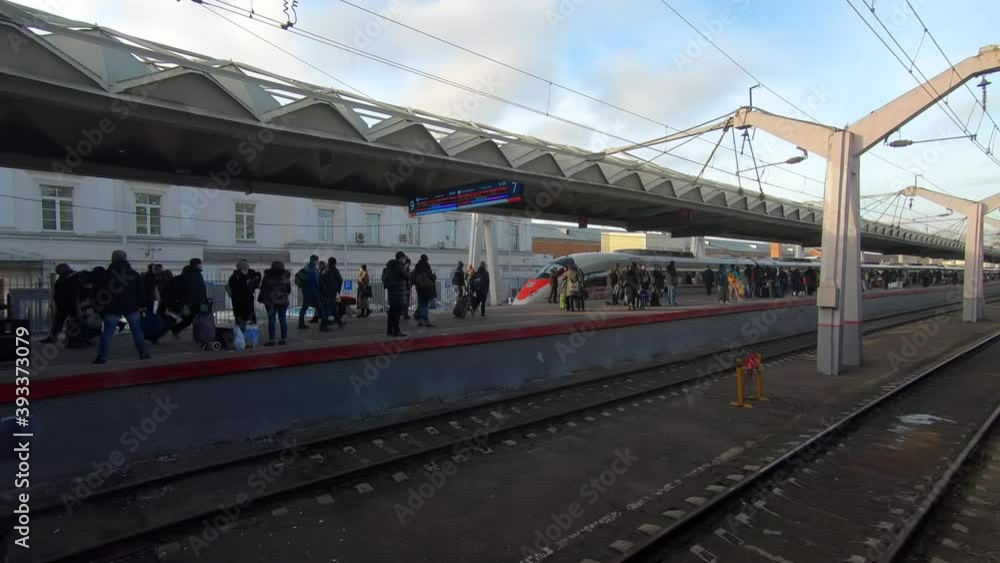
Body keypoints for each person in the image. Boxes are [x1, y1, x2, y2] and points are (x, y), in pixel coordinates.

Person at [93, 250, 150, 364]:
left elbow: (98, 291)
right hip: (131, 306)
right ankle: (143, 353)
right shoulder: (133, 274)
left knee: (108, 332)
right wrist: (142, 304)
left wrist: (99, 306)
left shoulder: (106, 275)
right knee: (137, 330)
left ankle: (102, 357)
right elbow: (140, 291)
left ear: (113, 259)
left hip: (111, 307)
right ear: (125, 259)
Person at [170, 258, 208, 338]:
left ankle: (176, 329)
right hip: (194, 302)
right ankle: (175, 328)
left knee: (190, 318)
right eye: (200, 264)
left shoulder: (192, 274)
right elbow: (199, 289)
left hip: (191, 301)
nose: (201, 265)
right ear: (197, 265)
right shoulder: (194, 275)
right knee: (195, 318)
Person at [41, 263, 75, 344]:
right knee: (59, 321)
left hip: (69, 303)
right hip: (64, 304)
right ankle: (55, 337)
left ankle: (71, 339)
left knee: (68, 321)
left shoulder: (70, 278)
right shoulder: (64, 278)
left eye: (58, 270)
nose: (56, 271)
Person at [259, 261, 291, 346]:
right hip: (282, 301)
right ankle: (284, 339)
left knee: (271, 320)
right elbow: (288, 290)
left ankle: (272, 340)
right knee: (283, 319)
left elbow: (262, 288)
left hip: (270, 301)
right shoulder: (285, 277)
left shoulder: (267, 276)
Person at [227, 259, 261, 332]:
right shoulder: (249, 275)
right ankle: (248, 335)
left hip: (240, 301)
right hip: (243, 300)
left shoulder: (234, 276)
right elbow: (256, 284)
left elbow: (231, 289)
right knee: (247, 319)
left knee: (243, 319)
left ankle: (243, 335)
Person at [383, 252, 409, 337]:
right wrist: (405, 268)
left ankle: (390, 331)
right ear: (400, 258)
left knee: (391, 313)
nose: (404, 260)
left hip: (392, 293)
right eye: (404, 258)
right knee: (397, 314)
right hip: (398, 293)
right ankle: (396, 331)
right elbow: (406, 276)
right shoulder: (399, 266)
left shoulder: (391, 266)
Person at [295, 255, 322, 329]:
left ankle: (301, 323)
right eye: (316, 260)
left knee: (305, 307)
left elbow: (298, 278)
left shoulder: (305, 269)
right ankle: (324, 323)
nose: (316, 262)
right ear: (315, 260)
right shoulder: (313, 270)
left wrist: (302, 286)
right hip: (313, 291)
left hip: (307, 291)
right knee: (318, 307)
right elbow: (316, 281)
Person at [320, 257, 345, 331]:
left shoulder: (324, 270)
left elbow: (320, 279)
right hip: (331, 291)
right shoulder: (334, 270)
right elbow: (340, 280)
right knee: (329, 308)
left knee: (332, 308)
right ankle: (323, 325)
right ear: (335, 263)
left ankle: (339, 322)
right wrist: (339, 289)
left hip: (324, 292)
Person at [411, 254, 437, 327]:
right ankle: (425, 320)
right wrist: (433, 277)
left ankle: (420, 320)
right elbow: (430, 276)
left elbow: (414, 277)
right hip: (426, 288)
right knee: (425, 305)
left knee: (420, 303)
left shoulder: (417, 266)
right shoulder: (426, 266)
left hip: (419, 288)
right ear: (426, 259)